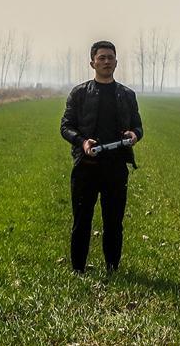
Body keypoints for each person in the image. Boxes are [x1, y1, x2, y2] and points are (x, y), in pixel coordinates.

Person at [60, 40, 143, 274]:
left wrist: (133, 135)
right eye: (102, 58)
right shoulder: (79, 93)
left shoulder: (127, 95)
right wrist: (82, 142)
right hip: (86, 166)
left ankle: (112, 268)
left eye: (110, 58)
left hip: (116, 168)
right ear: (92, 62)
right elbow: (65, 126)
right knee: (81, 221)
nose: (107, 62)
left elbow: (139, 127)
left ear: (116, 62)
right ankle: (78, 270)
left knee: (114, 222)